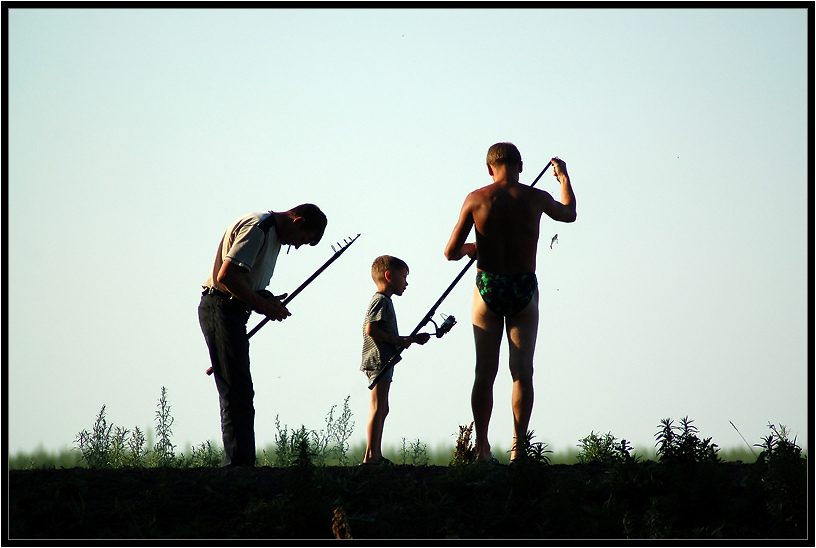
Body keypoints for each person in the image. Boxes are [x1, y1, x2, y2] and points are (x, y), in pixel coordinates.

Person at [444, 143, 577, 463]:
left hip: (488, 286)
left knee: (484, 372)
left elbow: (450, 251)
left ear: (490, 169)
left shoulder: (476, 198)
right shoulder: (536, 197)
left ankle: (483, 449)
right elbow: (569, 214)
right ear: (520, 165)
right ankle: (519, 449)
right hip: (523, 288)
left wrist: (472, 248)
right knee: (522, 372)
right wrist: (563, 178)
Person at [199, 204, 327, 466]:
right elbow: (228, 277)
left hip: (232, 312)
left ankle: (242, 463)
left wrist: (265, 298)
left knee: (241, 391)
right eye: (302, 239)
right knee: (237, 391)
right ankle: (237, 466)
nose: (299, 246)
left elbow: (245, 282)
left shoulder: (272, 237)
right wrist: (262, 305)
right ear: (297, 220)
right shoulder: (259, 228)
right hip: (220, 308)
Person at [360, 255, 430, 465]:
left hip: (382, 359)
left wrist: (410, 340)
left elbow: (382, 331)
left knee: (381, 407)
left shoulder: (383, 301)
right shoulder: (381, 300)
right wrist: (395, 341)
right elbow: (371, 329)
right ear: (389, 276)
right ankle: (374, 457)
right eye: (404, 276)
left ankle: (369, 456)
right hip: (380, 360)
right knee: (378, 407)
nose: (406, 282)